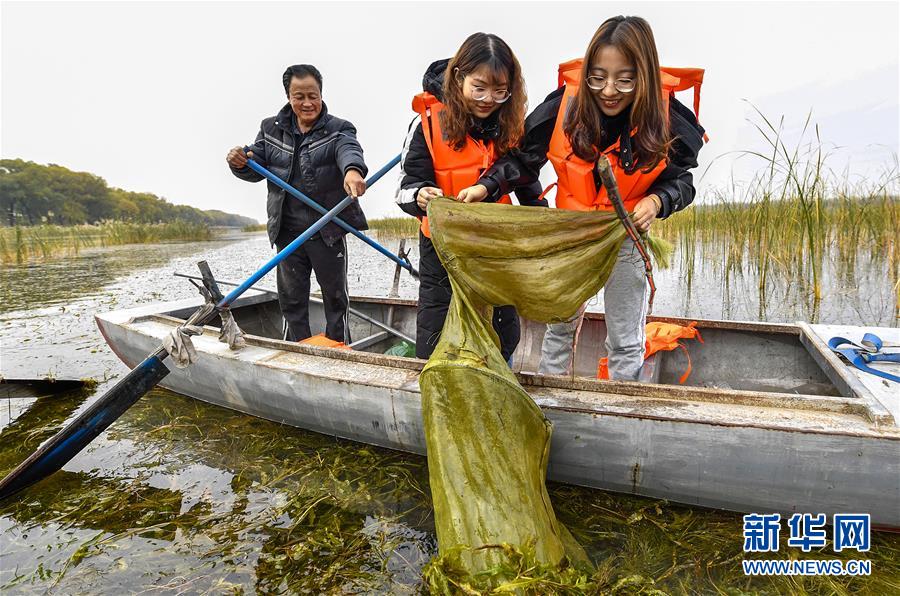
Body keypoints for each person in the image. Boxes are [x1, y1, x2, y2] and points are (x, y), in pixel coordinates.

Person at [456, 16, 706, 380]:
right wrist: (487, 186)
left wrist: (656, 202)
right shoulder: (564, 107)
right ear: (587, 72)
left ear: (645, 76)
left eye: (624, 79)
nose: (609, 90)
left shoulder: (668, 120)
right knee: (558, 329)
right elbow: (522, 161)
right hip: (571, 237)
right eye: (598, 77)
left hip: (625, 237)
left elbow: (682, 182)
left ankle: (623, 407)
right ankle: (552, 399)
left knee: (624, 338)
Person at [395, 33, 545, 361]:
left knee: (504, 330)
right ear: (459, 77)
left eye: (500, 90)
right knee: (436, 328)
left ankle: (496, 377)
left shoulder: (512, 125)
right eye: (479, 87)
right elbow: (403, 189)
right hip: (442, 250)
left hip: (496, 246)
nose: (489, 98)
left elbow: (529, 188)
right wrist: (419, 195)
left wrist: (551, 229)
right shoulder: (427, 124)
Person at [227, 64, 368, 344]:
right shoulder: (270, 129)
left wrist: (353, 170)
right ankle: (298, 349)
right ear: (289, 97)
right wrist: (240, 162)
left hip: (327, 229)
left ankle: (339, 347)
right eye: (299, 96)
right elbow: (256, 168)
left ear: (321, 94)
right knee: (291, 299)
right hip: (288, 232)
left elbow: (349, 150)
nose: (307, 103)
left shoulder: (339, 128)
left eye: (313, 96)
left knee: (336, 298)